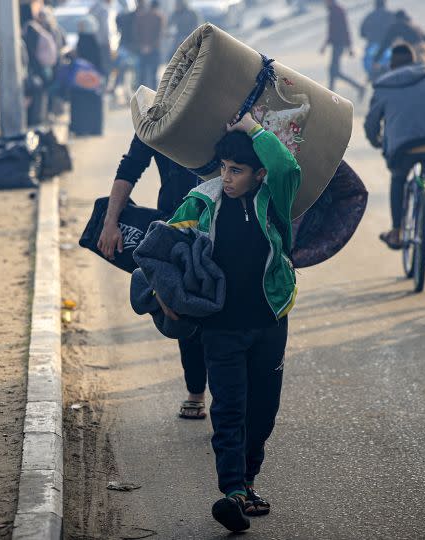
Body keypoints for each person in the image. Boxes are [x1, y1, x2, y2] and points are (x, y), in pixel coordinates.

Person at [163, 112, 301, 532]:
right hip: (220, 327)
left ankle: (249, 480)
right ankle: (233, 492)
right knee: (228, 409)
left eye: (237, 171)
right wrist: (166, 295)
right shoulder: (201, 202)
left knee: (263, 413)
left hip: (269, 321)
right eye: (224, 168)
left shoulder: (274, 198)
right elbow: (162, 245)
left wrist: (253, 128)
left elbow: (286, 166)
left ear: (258, 175)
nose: (227, 177)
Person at [97, 135, 207, 419]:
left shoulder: (230, 108)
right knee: (184, 306)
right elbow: (130, 168)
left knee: (225, 310)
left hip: (227, 219)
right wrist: (110, 222)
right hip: (177, 224)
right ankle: (196, 390)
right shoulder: (158, 117)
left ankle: (229, 397)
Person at [365, 44, 425, 254]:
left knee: (398, 179)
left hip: (403, 149)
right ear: (414, 60)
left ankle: (397, 231)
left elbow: (371, 123)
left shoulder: (383, 86)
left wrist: (376, 141)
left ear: (391, 65)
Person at [22, 0, 59, 126]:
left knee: (39, 93)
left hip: (40, 67)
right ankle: (40, 117)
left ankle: (39, 118)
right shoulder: (34, 27)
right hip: (44, 67)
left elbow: (31, 52)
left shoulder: (31, 28)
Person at [321, 0, 365, 100]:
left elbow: (345, 29)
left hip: (339, 45)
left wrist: (350, 47)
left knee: (334, 71)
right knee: (334, 71)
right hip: (337, 45)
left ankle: (331, 94)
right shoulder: (333, 10)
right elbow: (331, 31)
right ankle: (331, 93)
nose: (324, 3)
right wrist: (325, 45)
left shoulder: (337, 11)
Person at [69, 15, 105, 136]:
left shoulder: (81, 41)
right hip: (92, 80)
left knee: (80, 104)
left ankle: (80, 129)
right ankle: (94, 129)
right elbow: (99, 62)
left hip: (80, 81)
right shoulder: (94, 41)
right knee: (94, 103)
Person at [359, 0, 396, 81]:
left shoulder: (369, 16)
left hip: (372, 46)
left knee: (371, 68)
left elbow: (362, 32)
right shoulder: (390, 15)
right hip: (387, 46)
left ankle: (372, 77)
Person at [133, 0, 164, 90]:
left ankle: (140, 96)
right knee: (153, 75)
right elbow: (159, 35)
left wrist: (142, 46)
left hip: (142, 50)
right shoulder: (159, 17)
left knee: (141, 75)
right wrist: (150, 46)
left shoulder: (141, 17)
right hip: (154, 50)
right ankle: (153, 97)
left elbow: (136, 33)